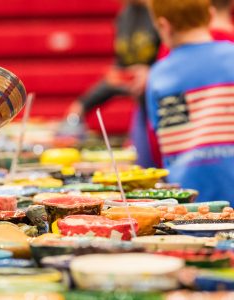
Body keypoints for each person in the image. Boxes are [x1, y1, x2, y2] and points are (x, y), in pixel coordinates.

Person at [147, 0, 234, 205]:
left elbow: (157, 145)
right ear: (211, 15)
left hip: (189, 197)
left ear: (164, 26)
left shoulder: (160, 74)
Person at [67, 0, 160, 168]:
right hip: (143, 107)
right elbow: (121, 68)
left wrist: (154, 74)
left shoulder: (161, 10)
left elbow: (180, 59)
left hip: (163, 106)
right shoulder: (126, 14)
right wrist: (83, 104)